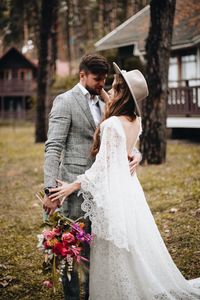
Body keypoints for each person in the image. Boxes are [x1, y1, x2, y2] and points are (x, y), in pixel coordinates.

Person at [49, 62, 200, 300]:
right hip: (128, 189)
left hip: (109, 188)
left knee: (110, 244)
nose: (107, 87)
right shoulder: (135, 120)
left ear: (121, 93)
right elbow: (124, 145)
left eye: (114, 86)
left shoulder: (111, 123)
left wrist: (72, 185)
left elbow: (102, 166)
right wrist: (134, 154)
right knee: (128, 240)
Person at [43, 55, 142, 300]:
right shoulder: (65, 101)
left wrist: (136, 154)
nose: (102, 84)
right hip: (72, 189)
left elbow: (119, 137)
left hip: (105, 190)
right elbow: (53, 146)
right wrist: (49, 190)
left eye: (104, 79)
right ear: (82, 75)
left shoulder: (109, 102)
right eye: (97, 79)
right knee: (71, 251)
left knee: (96, 251)